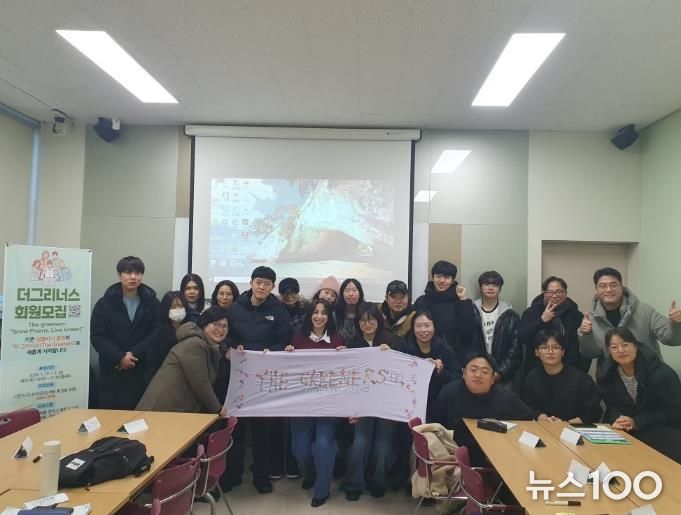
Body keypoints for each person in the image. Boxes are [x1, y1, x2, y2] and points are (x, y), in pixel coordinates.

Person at [222, 266, 291, 494]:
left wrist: (271, 351)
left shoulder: (279, 311)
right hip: (238, 377)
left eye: (267, 284)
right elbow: (224, 335)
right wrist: (231, 347)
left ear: (273, 287)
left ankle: (261, 477)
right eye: (258, 282)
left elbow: (285, 340)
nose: (262, 287)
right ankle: (232, 475)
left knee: (262, 431)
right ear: (251, 283)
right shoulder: (235, 308)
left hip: (264, 379)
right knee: (235, 429)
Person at [286, 299, 345, 507]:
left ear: (329, 317)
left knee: (323, 444)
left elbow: (346, 373)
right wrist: (287, 355)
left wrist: (344, 355)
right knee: (299, 449)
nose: (319, 317)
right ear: (309, 315)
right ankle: (311, 473)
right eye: (315, 312)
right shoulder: (298, 339)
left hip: (329, 403)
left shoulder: (338, 340)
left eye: (324, 313)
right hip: (302, 403)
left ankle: (321, 490)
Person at [431, 352, 534, 466]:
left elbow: (528, 422)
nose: (478, 375)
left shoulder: (506, 398)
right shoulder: (450, 392)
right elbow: (433, 423)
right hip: (453, 457)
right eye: (473, 370)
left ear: (493, 378)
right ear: (464, 373)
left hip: (494, 459)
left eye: (484, 372)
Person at [342, 303, 399, 501]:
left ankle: (378, 482)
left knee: (383, 445)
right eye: (363, 320)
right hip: (361, 404)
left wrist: (391, 355)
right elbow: (346, 378)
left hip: (386, 403)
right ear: (357, 323)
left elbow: (402, 371)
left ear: (379, 321)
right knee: (360, 442)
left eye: (371, 319)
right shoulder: (351, 344)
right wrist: (350, 408)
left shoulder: (392, 341)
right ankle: (354, 483)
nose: (367, 324)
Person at [598, 328, 681, 463]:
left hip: (664, 431)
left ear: (636, 346)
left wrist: (637, 422)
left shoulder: (662, 374)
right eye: (614, 347)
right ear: (609, 351)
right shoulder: (608, 374)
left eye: (625, 344)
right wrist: (619, 420)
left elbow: (674, 411)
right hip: (630, 431)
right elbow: (613, 406)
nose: (620, 350)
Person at [579, 267, 681, 371]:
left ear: (622, 287)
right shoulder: (591, 320)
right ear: (596, 290)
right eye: (602, 286)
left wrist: (676, 324)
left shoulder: (645, 311)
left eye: (613, 285)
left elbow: (673, 340)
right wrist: (586, 335)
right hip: (611, 377)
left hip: (649, 374)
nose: (608, 290)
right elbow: (589, 354)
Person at [91, 256, 159, 409]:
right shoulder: (104, 304)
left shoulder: (152, 302)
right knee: (112, 417)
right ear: (119, 275)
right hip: (113, 371)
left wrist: (134, 353)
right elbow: (97, 336)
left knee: (140, 416)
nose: (133, 277)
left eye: (138, 273)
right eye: (128, 272)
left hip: (141, 369)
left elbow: (157, 333)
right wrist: (120, 357)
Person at [136, 306, 230, 415]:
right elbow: (201, 384)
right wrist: (217, 409)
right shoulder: (194, 344)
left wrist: (230, 353)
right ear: (204, 324)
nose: (220, 330)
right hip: (159, 411)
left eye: (225, 326)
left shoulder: (210, 347)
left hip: (174, 411)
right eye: (216, 324)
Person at [524, 330, 602, 424]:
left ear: (563, 352)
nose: (550, 351)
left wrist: (565, 424)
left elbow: (593, 413)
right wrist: (543, 418)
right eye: (544, 347)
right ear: (537, 352)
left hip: (572, 428)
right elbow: (530, 407)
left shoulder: (581, 379)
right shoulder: (532, 377)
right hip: (543, 427)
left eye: (556, 347)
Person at [519, 275, 589, 375]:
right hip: (537, 371)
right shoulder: (531, 313)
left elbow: (583, 347)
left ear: (565, 293)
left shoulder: (576, 315)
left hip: (570, 371)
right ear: (544, 293)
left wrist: (580, 370)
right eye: (550, 292)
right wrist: (542, 321)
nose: (555, 296)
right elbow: (523, 338)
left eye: (559, 291)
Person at [395, 310, 461, 413]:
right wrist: (418, 367)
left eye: (427, 325)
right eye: (419, 326)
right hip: (409, 402)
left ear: (434, 327)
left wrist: (441, 372)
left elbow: (457, 377)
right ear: (413, 328)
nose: (423, 330)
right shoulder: (403, 347)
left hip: (438, 402)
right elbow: (397, 374)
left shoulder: (444, 348)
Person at [413, 260, 477, 363]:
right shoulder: (422, 301)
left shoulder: (460, 302)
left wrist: (463, 300)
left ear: (452, 281)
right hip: (424, 356)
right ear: (433, 278)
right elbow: (413, 331)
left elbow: (468, 333)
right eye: (438, 276)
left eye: (446, 277)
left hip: (452, 357)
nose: (442, 281)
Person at [472, 271, 522, 388]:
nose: (491, 288)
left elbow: (515, 350)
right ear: (480, 288)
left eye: (495, 285)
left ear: (500, 289)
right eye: (486, 284)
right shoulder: (470, 312)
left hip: (502, 375)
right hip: (476, 372)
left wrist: (500, 372)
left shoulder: (511, 316)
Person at [145, 290, 186, 383]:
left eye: (180, 306)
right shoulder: (158, 335)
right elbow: (152, 366)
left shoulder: (192, 329)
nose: (177, 310)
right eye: (173, 307)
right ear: (166, 309)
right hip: (163, 381)